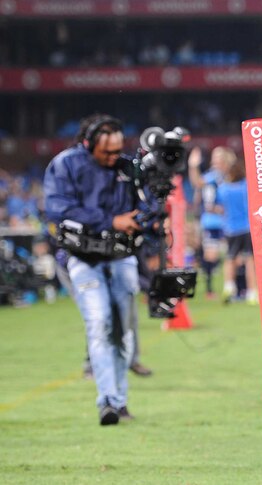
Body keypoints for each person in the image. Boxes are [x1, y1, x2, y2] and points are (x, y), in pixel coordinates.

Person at [43, 114, 150, 425]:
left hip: (122, 255)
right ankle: (108, 401)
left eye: (118, 151)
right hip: (82, 256)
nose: (113, 158)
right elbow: (57, 208)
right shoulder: (65, 165)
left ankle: (119, 400)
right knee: (99, 322)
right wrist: (109, 220)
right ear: (88, 144)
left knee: (124, 330)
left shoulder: (127, 168)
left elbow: (143, 206)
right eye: (107, 152)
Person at [214, 151, 257, 304]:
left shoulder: (223, 189)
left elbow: (219, 207)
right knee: (250, 260)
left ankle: (229, 285)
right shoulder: (246, 186)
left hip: (231, 228)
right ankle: (252, 292)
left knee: (230, 258)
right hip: (247, 227)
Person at [187, 146, 227, 300]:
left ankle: (239, 288)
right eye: (215, 158)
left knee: (236, 256)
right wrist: (193, 166)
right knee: (211, 255)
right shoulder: (212, 176)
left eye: (219, 158)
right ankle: (210, 289)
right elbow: (198, 183)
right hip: (212, 222)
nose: (216, 161)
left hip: (228, 221)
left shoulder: (227, 176)